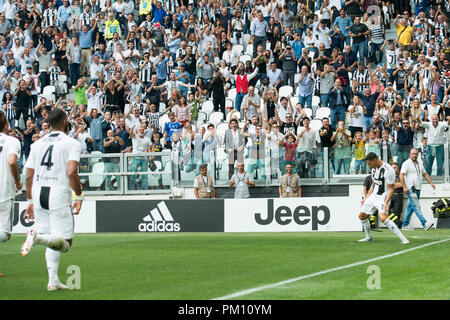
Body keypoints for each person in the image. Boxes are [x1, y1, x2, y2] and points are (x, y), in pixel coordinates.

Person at [21, 109, 83, 291]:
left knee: (52, 237)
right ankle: (37, 238)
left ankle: (53, 280)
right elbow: (72, 172)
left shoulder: (37, 144)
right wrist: (79, 195)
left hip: (39, 193)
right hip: (58, 194)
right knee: (66, 243)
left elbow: (28, 176)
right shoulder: (71, 143)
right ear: (65, 121)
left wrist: (30, 201)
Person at [358, 152, 409, 244]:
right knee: (362, 216)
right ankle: (368, 236)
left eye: (370, 163)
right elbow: (374, 184)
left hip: (383, 196)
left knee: (383, 218)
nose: (369, 166)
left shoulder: (388, 170)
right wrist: (366, 198)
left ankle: (404, 239)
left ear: (375, 160)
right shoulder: (374, 169)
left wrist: (386, 203)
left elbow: (391, 189)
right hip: (373, 195)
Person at [0, 112, 22, 248]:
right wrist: (18, 182)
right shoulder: (12, 141)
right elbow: (12, 161)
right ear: (6, 125)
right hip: (4, 191)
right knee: (5, 233)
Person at [400, 148, 436, 231]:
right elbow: (401, 175)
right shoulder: (406, 163)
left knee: (411, 207)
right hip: (411, 188)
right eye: (413, 154)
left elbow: (425, 174)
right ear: (410, 154)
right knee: (416, 206)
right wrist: (405, 187)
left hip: (418, 187)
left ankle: (405, 225)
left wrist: (431, 183)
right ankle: (424, 223)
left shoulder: (420, 163)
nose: (414, 155)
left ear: (418, 154)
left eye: (416, 154)